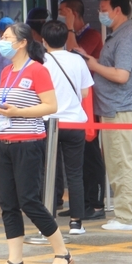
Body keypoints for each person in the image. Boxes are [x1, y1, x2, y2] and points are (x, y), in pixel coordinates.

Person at [0, 23, 73, 264]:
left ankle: (62, 253)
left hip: (28, 143)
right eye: (2, 37)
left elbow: (50, 106)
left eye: (7, 38)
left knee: (29, 200)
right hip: (5, 144)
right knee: (8, 203)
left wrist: (19, 112)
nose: (3, 42)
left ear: (23, 42)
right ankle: (15, 259)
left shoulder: (37, 70)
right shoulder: (7, 71)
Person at [76, 0, 132, 231]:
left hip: (119, 109)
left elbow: (122, 75)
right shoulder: (119, 35)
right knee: (118, 163)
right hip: (113, 109)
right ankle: (129, 213)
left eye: (103, 10)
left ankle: (127, 218)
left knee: (120, 164)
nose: (100, 13)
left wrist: (93, 64)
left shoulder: (126, 38)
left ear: (117, 10)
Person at [41, 20, 94, 235]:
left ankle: (48, 221)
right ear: (65, 39)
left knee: (48, 173)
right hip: (74, 123)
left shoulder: (40, 62)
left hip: (48, 123)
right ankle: (76, 223)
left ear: (43, 41)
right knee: (75, 173)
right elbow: (85, 93)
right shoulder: (77, 60)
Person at [59, 0, 106, 220]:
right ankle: (82, 202)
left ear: (73, 13)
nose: (59, 15)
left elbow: (73, 56)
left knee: (91, 155)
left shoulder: (92, 36)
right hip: (74, 104)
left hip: (89, 103)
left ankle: (96, 203)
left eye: (63, 11)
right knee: (78, 158)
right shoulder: (74, 36)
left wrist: (68, 27)